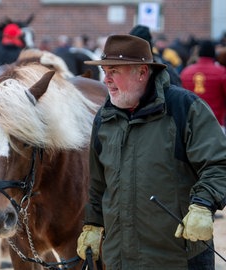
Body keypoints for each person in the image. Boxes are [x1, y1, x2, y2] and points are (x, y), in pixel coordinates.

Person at [76, 34, 226, 269]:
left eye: (114, 71)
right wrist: (93, 225)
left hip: (178, 259)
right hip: (120, 260)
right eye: (105, 71)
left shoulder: (184, 108)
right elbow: (98, 186)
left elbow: (218, 164)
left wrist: (202, 205)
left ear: (142, 72)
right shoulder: (104, 119)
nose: (106, 80)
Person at [180, 39, 226, 131]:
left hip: (191, 124)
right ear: (213, 53)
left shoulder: (186, 72)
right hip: (216, 123)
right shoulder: (221, 72)